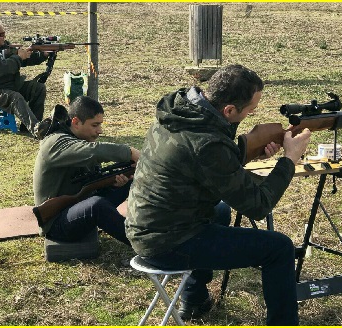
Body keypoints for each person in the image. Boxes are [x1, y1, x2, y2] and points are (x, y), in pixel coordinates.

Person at [125, 64, 311, 325]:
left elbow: (204, 165)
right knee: (279, 248)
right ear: (229, 110)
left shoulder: (180, 111)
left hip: (146, 224)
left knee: (221, 211)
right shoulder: (208, 144)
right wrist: (289, 160)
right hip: (166, 243)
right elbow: (258, 206)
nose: (252, 114)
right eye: (250, 110)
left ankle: (194, 299)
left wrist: (246, 150)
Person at [33, 96, 141, 246]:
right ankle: (146, 246)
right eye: (95, 125)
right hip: (57, 224)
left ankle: (161, 227)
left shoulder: (79, 140)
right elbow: (94, 152)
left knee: (134, 179)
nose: (100, 131)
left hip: (78, 206)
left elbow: (91, 181)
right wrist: (129, 152)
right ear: (76, 122)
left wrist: (114, 184)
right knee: (97, 206)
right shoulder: (55, 143)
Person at [0, 18, 49, 135]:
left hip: (9, 85)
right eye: (1, 34)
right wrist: (19, 57)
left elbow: (24, 60)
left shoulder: (2, 46)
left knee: (38, 88)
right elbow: (2, 68)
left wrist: (43, 55)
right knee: (15, 97)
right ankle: (36, 129)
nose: (4, 36)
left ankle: (29, 127)